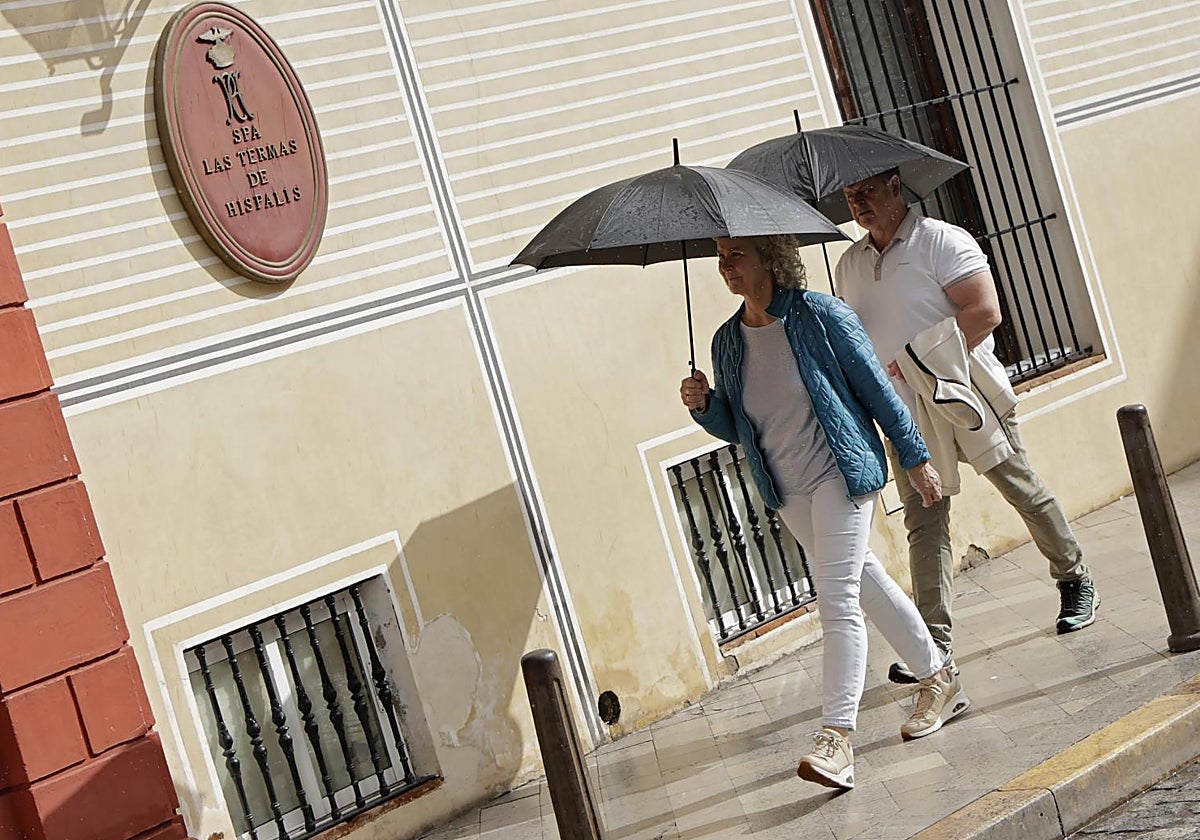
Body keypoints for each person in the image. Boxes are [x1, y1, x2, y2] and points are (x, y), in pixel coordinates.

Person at [679, 235, 970, 791]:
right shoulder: (726, 342)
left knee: (836, 601)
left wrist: (915, 458)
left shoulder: (821, 315)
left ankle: (837, 739)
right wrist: (705, 406)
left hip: (841, 472)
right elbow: (737, 428)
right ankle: (939, 676)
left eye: (734, 254)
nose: (724, 266)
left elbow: (875, 390)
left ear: (768, 257)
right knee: (862, 580)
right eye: (720, 257)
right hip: (787, 491)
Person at [835, 169, 1099, 684]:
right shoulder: (848, 266)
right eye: (850, 196)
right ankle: (934, 643)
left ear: (895, 186)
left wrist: (914, 360)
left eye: (866, 191)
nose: (858, 203)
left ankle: (1074, 577)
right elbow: (856, 338)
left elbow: (985, 311)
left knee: (1020, 487)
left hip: (965, 394)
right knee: (925, 523)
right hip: (906, 413)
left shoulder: (941, 240)